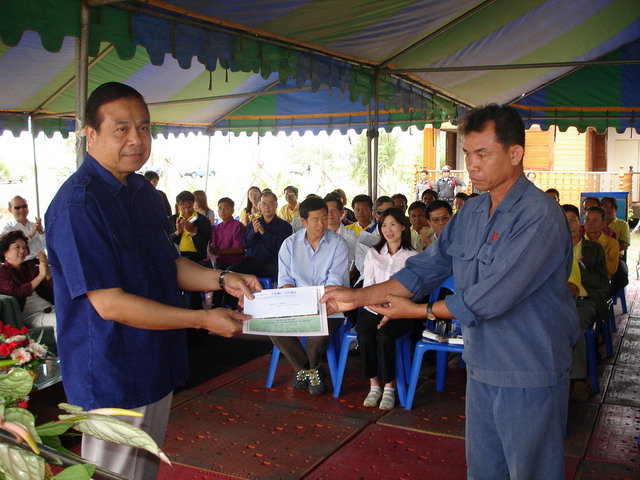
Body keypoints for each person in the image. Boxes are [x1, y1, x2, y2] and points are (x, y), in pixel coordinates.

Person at [322, 104, 579, 479]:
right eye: (467, 154)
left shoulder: (539, 216)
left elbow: (491, 298)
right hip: (482, 362)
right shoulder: (472, 213)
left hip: (528, 368)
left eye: (482, 154)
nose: (471, 165)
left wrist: (417, 312)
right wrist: (359, 297)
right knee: (484, 470)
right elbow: (425, 269)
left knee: (531, 472)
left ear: (515, 153)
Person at [44, 82, 259, 480]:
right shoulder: (79, 206)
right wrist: (202, 319)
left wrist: (223, 278)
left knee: (143, 471)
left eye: (143, 128)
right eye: (121, 129)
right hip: (111, 372)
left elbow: (170, 265)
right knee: (112, 475)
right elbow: (110, 304)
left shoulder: (142, 192)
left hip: (155, 360)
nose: (136, 139)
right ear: (91, 134)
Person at [270, 197, 349, 395]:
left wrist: (314, 305)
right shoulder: (289, 244)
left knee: (318, 330)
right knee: (273, 327)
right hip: (297, 303)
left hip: (329, 304)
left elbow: (335, 282)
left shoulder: (338, 244)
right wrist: (299, 303)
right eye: (315, 220)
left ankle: (306, 371)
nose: (321, 224)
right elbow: (285, 279)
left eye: (324, 218)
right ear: (303, 221)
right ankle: (310, 370)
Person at [357, 208, 418, 410]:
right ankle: (374, 384)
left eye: (393, 224)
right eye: (384, 225)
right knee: (364, 333)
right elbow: (368, 285)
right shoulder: (373, 253)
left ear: (403, 226)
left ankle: (389, 386)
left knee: (385, 336)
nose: (388, 230)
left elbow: (412, 291)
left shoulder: (413, 257)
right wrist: (379, 308)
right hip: (373, 307)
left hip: (401, 311)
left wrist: (391, 311)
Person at [562, 204, 609, 402]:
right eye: (565, 221)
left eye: (573, 220)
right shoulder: (554, 248)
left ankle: (579, 379)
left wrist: (580, 268)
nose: (570, 225)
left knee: (577, 324)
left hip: (584, 301)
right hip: (559, 302)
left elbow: (602, 282)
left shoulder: (593, 249)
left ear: (579, 222)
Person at [0, 230, 56, 337]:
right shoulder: (2, 272)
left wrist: (46, 268)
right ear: (5, 251)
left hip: (51, 307)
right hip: (32, 315)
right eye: (17, 247)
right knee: (61, 322)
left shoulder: (29, 267)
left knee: (79, 316)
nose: (22, 251)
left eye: (25, 248)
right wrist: (40, 276)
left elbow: (51, 286)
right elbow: (16, 292)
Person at [230, 191, 292, 280]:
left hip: (272, 262)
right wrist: (253, 232)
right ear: (259, 206)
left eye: (270, 204)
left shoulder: (285, 226)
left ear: (276, 205)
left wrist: (264, 233)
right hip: (251, 261)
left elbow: (281, 248)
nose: (267, 207)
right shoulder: (254, 223)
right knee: (230, 272)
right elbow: (245, 244)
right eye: (263, 204)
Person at [169, 190, 212, 263]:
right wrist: (178, 232)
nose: (187, 211)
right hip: (176, 255)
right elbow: (167, 241)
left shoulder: (203, 220)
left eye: (189, 207)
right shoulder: (172, 220)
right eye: (183, 208)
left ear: (193, 204)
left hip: (197, 257)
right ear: (178, 206)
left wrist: (193, 232)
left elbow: (205, 244)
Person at [1, 196, 46, 263]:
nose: (22, 210)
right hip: (22, 263)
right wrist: (30, 235)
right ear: (10, 210)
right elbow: (8, 250)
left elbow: (47, 246)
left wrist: (41, 233)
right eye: (17, 207)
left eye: (24, 206)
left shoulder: (34, 225)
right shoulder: (7, 229)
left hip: (41, 261)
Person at [209, 197, 246, 270]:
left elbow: (239, 249)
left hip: (232, 261)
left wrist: (219, 251)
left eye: (226, 208)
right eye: (220, 208)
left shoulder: (238, 226)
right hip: (216, 260)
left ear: (232, 210)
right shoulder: (216, 228)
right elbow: (213, 247)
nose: (222, 211)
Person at [584, 206, 619, 278]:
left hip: (601, 281)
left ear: (603, 224)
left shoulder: (612, 243)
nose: (590, 223)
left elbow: (612, 269)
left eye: (595, 220)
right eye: (587, 219)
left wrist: (599, 253)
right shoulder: (579, 241)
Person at [324, 193, 357, 266]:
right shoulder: (316, 234)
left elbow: (352, 259)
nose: (330, 214)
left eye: (334, 210)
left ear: (342, 212)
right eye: (327, 210)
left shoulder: (351, 235)